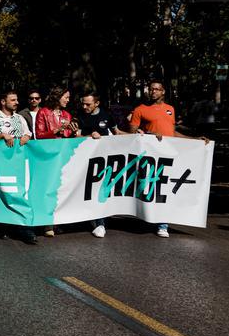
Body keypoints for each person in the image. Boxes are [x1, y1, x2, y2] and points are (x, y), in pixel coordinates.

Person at [128, 80, 210, 238]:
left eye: (157, 89)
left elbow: (171, 133)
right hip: (150, 154)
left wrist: (194, 139)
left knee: (165, 187)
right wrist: (149, 136)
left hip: (169, 154)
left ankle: (163, 224)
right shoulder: (140, 110)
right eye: (151, 89)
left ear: (163, 92)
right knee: (150, 186)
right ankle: (147, 216)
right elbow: (132, 135)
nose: (153, 92)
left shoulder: (170, 109)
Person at [0, 90, 36, 244]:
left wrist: (27, 136)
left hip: (18, 165)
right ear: (3, 102)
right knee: (3, 194)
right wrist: (1, 136)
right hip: (1, 165)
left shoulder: (20, 118)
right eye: (13, 100)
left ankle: (24, 229)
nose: (16, 102)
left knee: (20, 194)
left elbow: (28, 134)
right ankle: (3, 226)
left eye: (17, 100)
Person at [74, 91, 126, 238]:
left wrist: (138, 136)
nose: (84, 106)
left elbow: (117, 133)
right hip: (85, 160)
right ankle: (98, 223)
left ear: (96, 103)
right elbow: (75, 137)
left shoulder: (106, 115)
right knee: (91, 190)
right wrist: (89, 136)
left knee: (102, 190)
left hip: (105, 160)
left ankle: (100, 222)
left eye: (88, 104)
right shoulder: (80, 115)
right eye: (83, 103)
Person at [34, 87, 74, 236]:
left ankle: (58, 220)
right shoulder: (43, 112)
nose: (68, 100)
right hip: (48, 156)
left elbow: (68, 135)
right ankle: (47, 223)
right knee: (48, 188)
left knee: (61, 188)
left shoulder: (67, 114)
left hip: (63, 155)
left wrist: (73, 131)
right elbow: (39, 134)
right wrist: (56, 131)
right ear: (57, 97)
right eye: (66, 97)